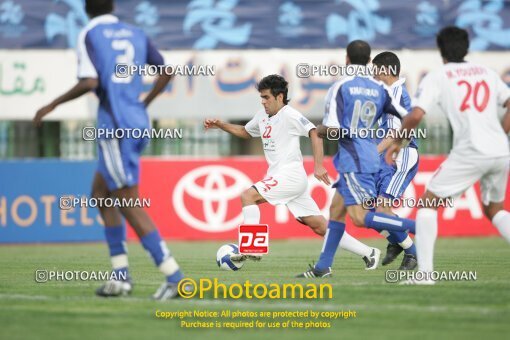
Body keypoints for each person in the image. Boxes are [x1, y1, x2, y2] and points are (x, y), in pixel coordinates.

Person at [33, 0, 185, 299]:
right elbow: (166, 71)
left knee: (128, 201)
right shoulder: (134, 32)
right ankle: (121, 277)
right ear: (113, 6)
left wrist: (51, 104)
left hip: (115, 126)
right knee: (101, 195)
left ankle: (174, 276)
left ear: (86, 8)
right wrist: (143, 104)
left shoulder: (89, 32)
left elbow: (90, 81)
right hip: (136, 121)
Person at [204, 74, 381, 269]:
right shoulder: (262, 116)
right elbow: (246, 132)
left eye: (266, 97)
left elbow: (314, 132)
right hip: (282, 177)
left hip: (290, 175)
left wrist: (319, 165)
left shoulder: (290, 114)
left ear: (279, 97)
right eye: (261, 97)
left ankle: (252, 247)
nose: (263, 102)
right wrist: (221, 125)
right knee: (319, 226)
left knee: (248, 196)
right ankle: (369, 252)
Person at [385, 26, 510, 284]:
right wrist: (501, 131)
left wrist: (398, 140)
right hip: (500, 150)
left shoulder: (438, 76)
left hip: (470, 151)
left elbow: (417, 114)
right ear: (467, 48)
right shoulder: (487, 73)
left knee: (428, 204)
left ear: (440, 49)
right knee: (494, 209)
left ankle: (425, 275)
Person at [297, 40, 417, 278]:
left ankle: (416, 229)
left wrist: (320, 130)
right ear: (368, 59)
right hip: (368, 156)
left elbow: (333, 130)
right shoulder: (379, 88)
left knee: (360, 218)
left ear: (346, 59)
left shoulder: (341, 86)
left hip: (354, 158)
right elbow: (409, 116)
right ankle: (322, 267)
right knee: (337, 211)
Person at [372, 51, 418, 270]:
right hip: (386, 157)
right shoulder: (387, 93)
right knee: (366, 212)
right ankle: (396, 241)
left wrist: (371, 154)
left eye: (376, 71)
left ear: (387, 71)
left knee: (381, 210)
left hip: (401, 156)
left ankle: (413, 252)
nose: (373, 75)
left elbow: (394, 135)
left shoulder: (396, 94)